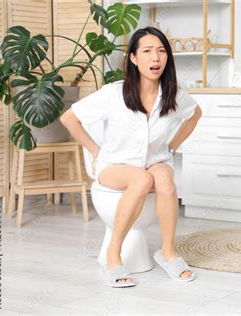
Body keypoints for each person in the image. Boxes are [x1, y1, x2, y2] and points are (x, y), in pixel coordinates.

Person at [60, 26, 202, 287]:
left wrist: (171, 146)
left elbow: (195, 115)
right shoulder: (115, 93)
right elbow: (69, 119)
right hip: (114, 165)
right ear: (133, 59)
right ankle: (113, 255)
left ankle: (168, 252)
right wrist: (95, 151)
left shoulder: (173, 94)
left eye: (161, 51)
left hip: (155, 161)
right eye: (147, 51)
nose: (155, 58)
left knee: (164, 179)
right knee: (141, 180)